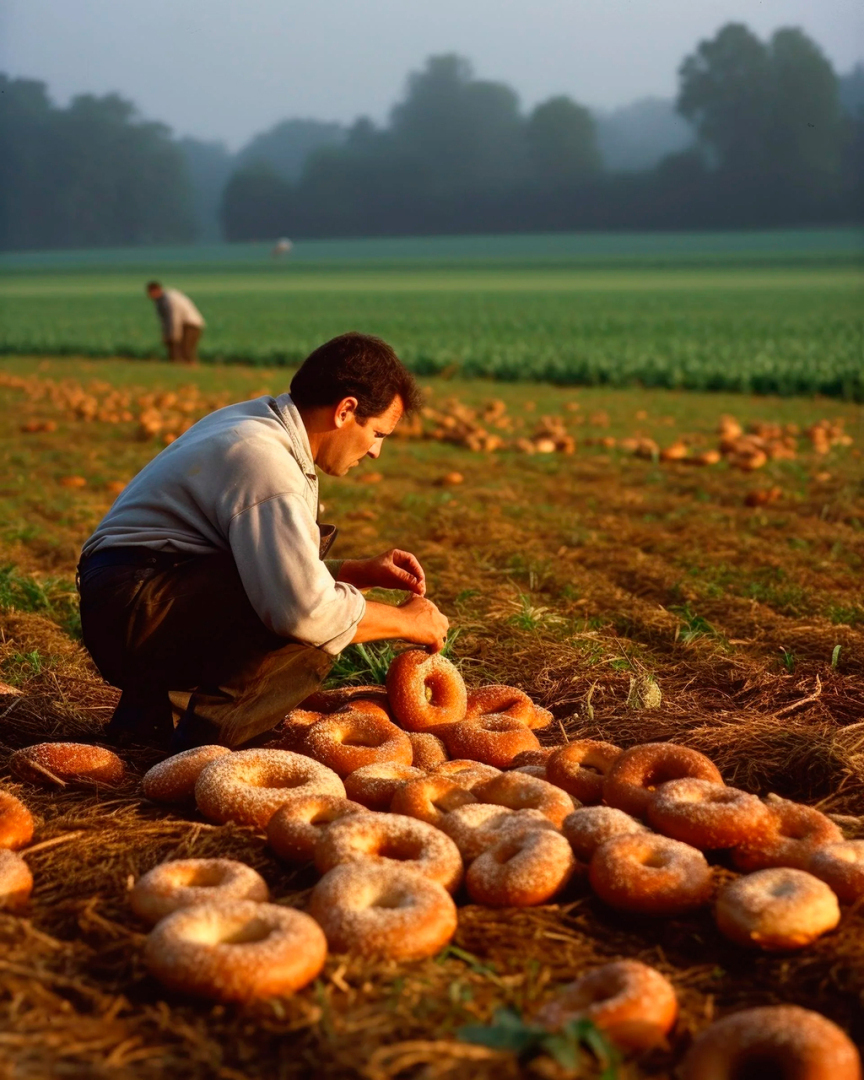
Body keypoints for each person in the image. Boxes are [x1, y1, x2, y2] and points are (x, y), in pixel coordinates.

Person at [77, 332, 448, 752]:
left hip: (135, 594)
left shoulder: (260, 422)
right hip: (135, 609)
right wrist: (407, 621)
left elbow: (256, 564)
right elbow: (303, 608)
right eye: (378, 433)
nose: (376, 451)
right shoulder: (267, 462)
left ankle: (147, 725)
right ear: (346, 411)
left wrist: (356, 572)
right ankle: (204, 750)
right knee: (312, 626)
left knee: (302, 596)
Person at [145, 281, 205, 363]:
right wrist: (166, 335)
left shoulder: (170, 299)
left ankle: (191, 368)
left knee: (186, 349)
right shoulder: (160, 301)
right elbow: (164, 320)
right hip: (181, 324)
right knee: (175, 348)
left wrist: (174, 335)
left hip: (190, 324)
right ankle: (179, 367)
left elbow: (175, 318)